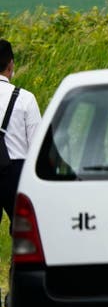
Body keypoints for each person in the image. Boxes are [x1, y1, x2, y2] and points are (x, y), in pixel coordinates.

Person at [0, 39, 41, 229]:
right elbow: (36, 145)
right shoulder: (25, 98)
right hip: (16, 171)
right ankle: (16, 260)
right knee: (23, 229)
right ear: (10, 64)